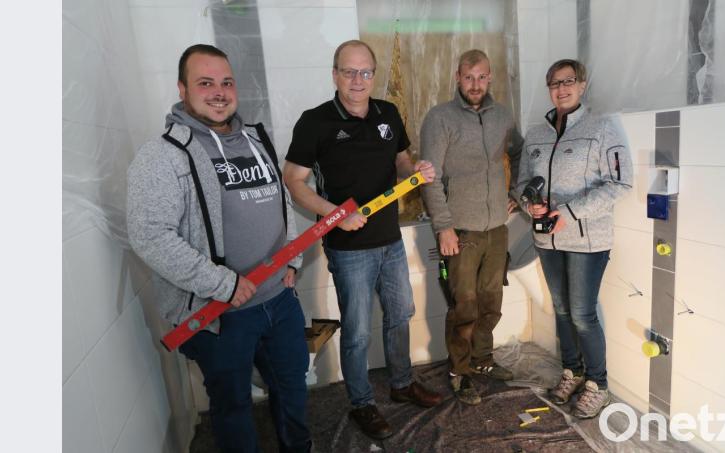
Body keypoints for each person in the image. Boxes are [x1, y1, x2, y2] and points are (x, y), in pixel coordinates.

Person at [127, 44, 311, 452]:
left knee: (293, 388)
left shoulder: (255, 139)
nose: (219, 92)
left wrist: (293, 260)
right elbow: (149, 235)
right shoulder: (162, 156)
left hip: (278, 300)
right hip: (218, 314)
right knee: (233, 407)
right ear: (182, 88)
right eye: (205, 82)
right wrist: (222, 284)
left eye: (226, 82)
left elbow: (280, 202)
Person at [283, 40, 443, 440]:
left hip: (390, 240)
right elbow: (294, 181)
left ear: (374, 74)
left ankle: (402, 383)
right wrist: (335, 214)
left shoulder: (387, 112)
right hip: (348, 249)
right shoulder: (315, 122)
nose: (358, 80)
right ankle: (362, 404)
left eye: (365, 72)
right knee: (356, 330)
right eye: (349, 72)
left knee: (400, 313)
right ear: (335, 74)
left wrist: (414, 170)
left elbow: (400, 159)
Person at [516, 59, 633, 419]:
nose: (561, 89)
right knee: (562, 310)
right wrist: (528, 205)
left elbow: (620, 183)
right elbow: (521, 183)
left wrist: (567, 214)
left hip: (586, 241)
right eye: (554, 83)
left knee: (583, 314)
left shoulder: (602, 128)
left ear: (582, 85)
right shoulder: (536, 134)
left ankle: (598, 383)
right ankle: (573, 371)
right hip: (547, 241)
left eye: (568, 81)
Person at [419, 49, 524, 405]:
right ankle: (460, 372)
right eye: (468, 77)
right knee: (463, 306)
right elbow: (427, 178)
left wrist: (517, 193)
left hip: (497, 228)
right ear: (457, 78)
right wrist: (444, 227)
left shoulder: (503, 117)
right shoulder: (440, 118)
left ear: (490, 77)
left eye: (481, 77)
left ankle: (482, 360)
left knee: (491, 302)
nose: (475, 84)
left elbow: (521, 153)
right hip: (460, 232)